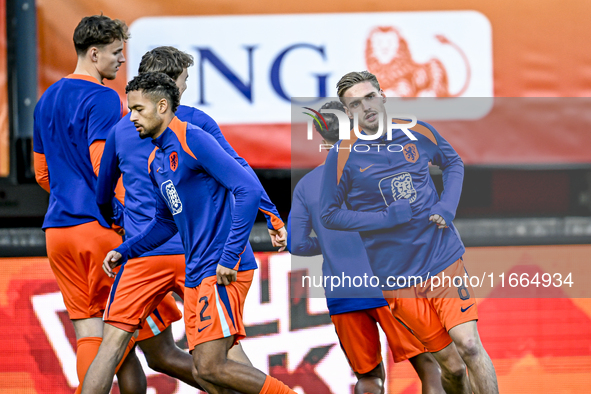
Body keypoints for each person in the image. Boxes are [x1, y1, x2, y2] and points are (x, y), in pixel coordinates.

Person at [85, 46, 285, 392]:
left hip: (217, 263)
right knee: (203, 366)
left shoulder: (192, 135)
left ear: (160, 103)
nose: (131, 119)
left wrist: (233, 251)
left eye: (137, 109)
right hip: (191, 263)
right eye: (130, 109)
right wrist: (127, 249)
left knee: (125, 347)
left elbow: (244, 185)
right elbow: (165, 222)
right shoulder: (158, 160)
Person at [320, 71, 499, 394]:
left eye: (370, 97)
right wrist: (384, 218)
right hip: (396, 278)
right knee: (452, 368)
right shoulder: (342, 155)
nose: (367, 107)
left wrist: (447, 207)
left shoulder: (417, 131)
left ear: (383, 96)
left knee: (470, 345)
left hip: (440, 256)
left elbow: (453, 163)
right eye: (356, 103)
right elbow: (329, 215)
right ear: (348, 113)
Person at [288, 101, 444, 394]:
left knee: (368, 379)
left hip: (343, 292)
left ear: (320, 136)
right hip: (393, 283)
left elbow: (296, 244)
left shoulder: (306, 185)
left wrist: (330, 245)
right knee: (430, 367)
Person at [32, 15, 147, 393]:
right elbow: (105, 167)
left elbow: (41, 174)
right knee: (121, 337)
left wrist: (69, 195)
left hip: (58, 233)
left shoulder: (46, 98)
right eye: (116, 53)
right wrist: (123, 218)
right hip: (99, 230)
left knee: (89, 333)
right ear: (94, 53)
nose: (121, 61)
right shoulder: (102, 97)